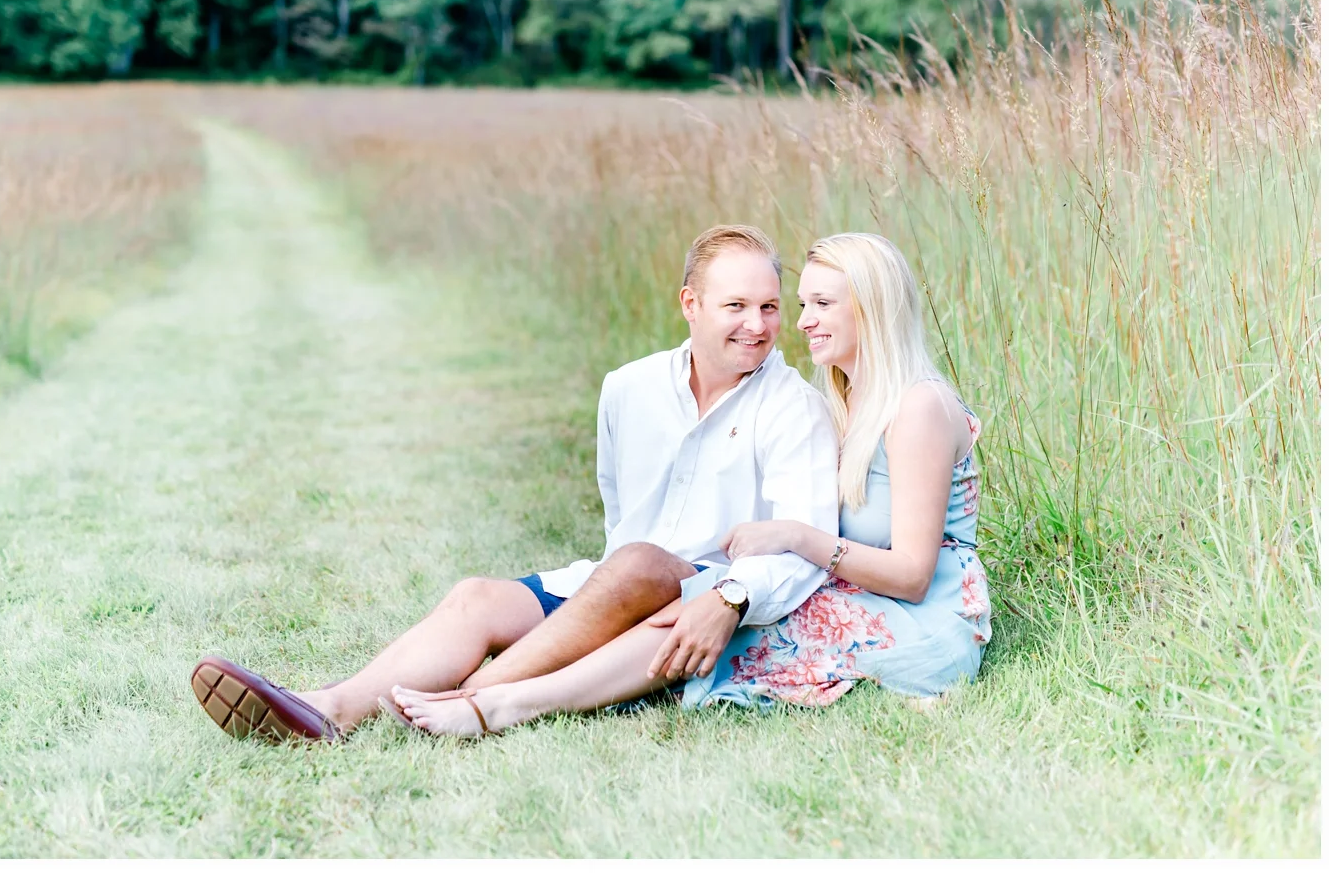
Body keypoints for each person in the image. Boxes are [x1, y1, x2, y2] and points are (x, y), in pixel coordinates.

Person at [190, 224, 839, 742]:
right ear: (690, 305)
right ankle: (327, 707)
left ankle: (473, 698)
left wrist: (729, 596)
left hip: (704, 605)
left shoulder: (793, 408)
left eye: (769, 307)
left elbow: (801, 548)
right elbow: (620, 514)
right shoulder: (629, 388)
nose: (757, 325)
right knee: (477, 597)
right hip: (614, 584)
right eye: (736, 306)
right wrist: (601, 600)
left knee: (640, 563)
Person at [388, 232, 992, 738]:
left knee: (703, 616)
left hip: (923, 615)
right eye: (802, 303)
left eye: (821, 304)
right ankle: (487, 695)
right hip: (854, 589)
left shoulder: (918, 406)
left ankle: (501, 704)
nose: (801, 321)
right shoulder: (845, 398)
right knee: (697, 604)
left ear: (873, 307)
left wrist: (797, 537)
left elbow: (913, 576)